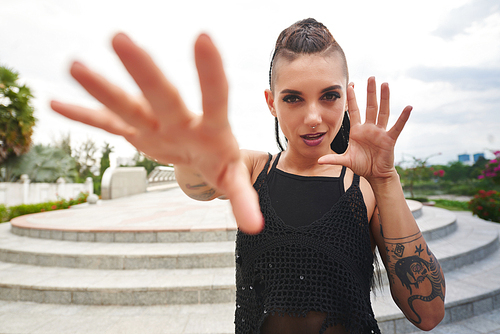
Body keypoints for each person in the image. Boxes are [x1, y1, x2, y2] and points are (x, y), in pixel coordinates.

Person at [51, 18, 445, 334]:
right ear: (272, 103)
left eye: (329, 95)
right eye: (293, 98)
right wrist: (191, 156)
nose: (313, 117)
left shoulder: (367, 189)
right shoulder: (256, 169)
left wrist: (385, 178)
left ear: (347, 96)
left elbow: (428, 314)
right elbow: (199, 183)